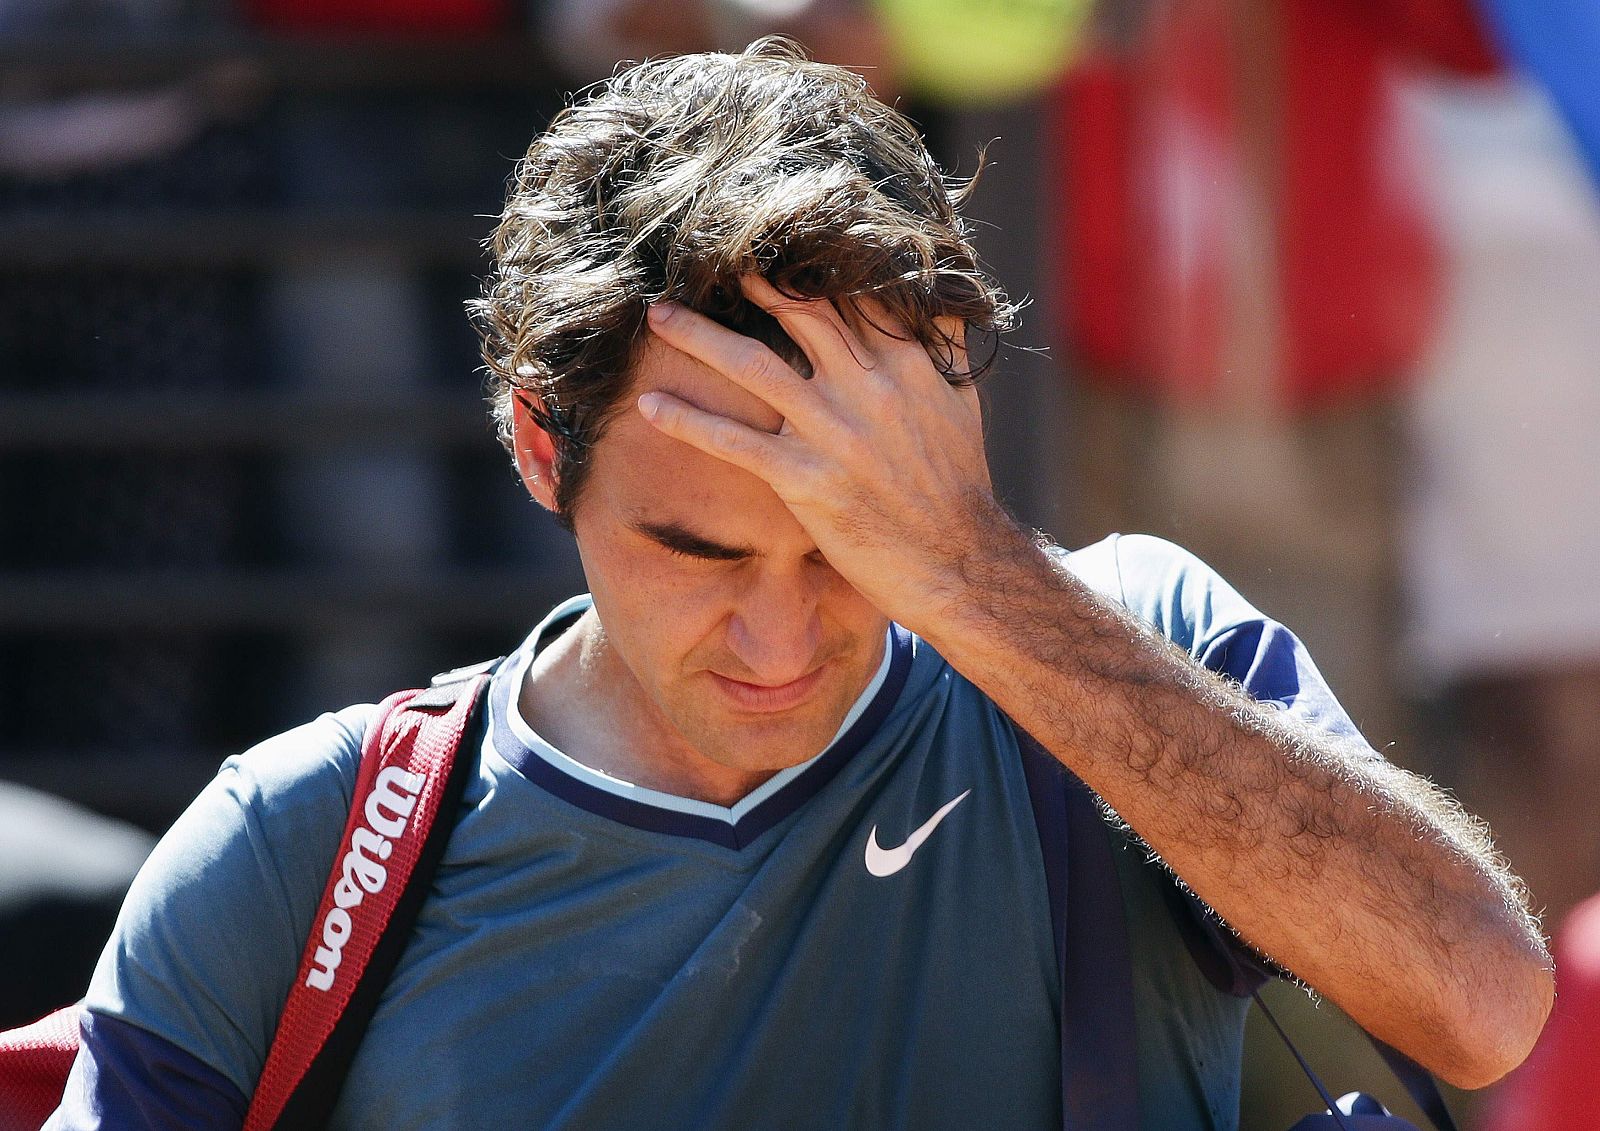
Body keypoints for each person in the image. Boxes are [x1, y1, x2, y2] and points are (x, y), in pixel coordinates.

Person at [45, 39, 1550, 1130]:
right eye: (696, 550)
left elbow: (1480, 1005)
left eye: (849, 549)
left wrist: (967, 567)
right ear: (538, 445)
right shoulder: (298, 846)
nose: (777, 638)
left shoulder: (1121, 640)